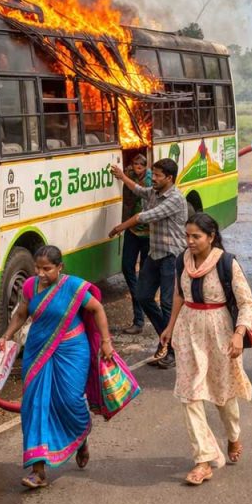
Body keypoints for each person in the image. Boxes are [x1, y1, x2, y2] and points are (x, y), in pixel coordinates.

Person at [0, 245, 115, 489]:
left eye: (47, 269)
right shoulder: (29, 286)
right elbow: (21, 314)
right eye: (37, 268)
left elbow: (97, 309)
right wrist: (7, 335)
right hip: (37, 350)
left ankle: (80, 436)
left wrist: (106, 342)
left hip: (72, 349)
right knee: (35, 405)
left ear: (60, 267)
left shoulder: (73, 287)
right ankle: (37, 470)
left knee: (69, 402)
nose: (41, 273)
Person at [160, 213, 252, 485]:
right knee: (189, 394)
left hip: (220, 331)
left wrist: (239, 334)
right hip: (189, 329)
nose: (189, 241)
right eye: (187, 236)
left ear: (211, 237)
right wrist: (169, 327)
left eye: (196, 236)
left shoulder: (226, 262)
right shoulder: (182, 260)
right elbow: (179, 295)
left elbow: (246, 303)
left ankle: (233, 435)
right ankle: (203, 460)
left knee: (222, 392)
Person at [109, 158, 188, 368]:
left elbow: (144, 216)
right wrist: (122, 176)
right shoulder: (154, 192)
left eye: (158, 175)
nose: (153, 178)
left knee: (167, 303)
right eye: (153, 174)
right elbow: (137, 189)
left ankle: (169, 348)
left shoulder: (175, 199)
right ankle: (168, 340)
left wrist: (119, 227)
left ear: (169, 178)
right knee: (143, 296)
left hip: (172, 256)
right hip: (156, 254)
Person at [120, 154, 152, 335]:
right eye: (134, 165)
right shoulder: (130, 173)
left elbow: (139, 190)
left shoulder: (150, 181)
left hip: (147, 233)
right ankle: (138, 310)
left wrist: (120, 227)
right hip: (133, 231)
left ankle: (140, 319)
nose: (137, 169)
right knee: (127, 268)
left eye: (140, 166)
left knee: (146, 276)